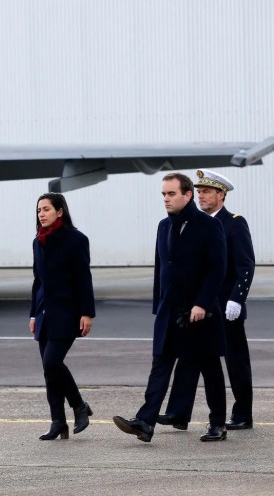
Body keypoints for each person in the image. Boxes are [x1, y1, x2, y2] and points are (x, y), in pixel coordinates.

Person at [113, 172, 228, 442]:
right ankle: (145, 422)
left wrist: (202, 303)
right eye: (163, 194)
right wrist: (159, 305)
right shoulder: (163, 226)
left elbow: (217, 269)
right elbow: (161, 270)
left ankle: (218, 424)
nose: (166, 199)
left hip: (200, 314)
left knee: (210, 368)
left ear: (187, 195)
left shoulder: (208, 226)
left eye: (171, 193)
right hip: (169, 311)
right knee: (160, 365)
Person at [158, 169, 255, 431]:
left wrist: (236, 299)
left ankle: (243, 413)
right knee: (192, 358)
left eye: (207, 192)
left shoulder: (234, 223)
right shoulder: (193, 223)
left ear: (221, 195)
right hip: (200, 306)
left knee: (235, 362)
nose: (201, 196)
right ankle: (179, 413)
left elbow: (245, 266)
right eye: (199, 192)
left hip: (226, 306)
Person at [30, 192, 94, 440]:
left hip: (68, 313)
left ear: (60, 211)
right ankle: (58, 422)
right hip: (44, 313)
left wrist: (87, 313)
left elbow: (83, 279)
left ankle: (79, 405)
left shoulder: (76, 240)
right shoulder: (38, 242)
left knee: (52, 363)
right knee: (49, 371)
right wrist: (33, 314)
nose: (41, 214)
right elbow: (38, 281)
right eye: (39, 210)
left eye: (46, 209)